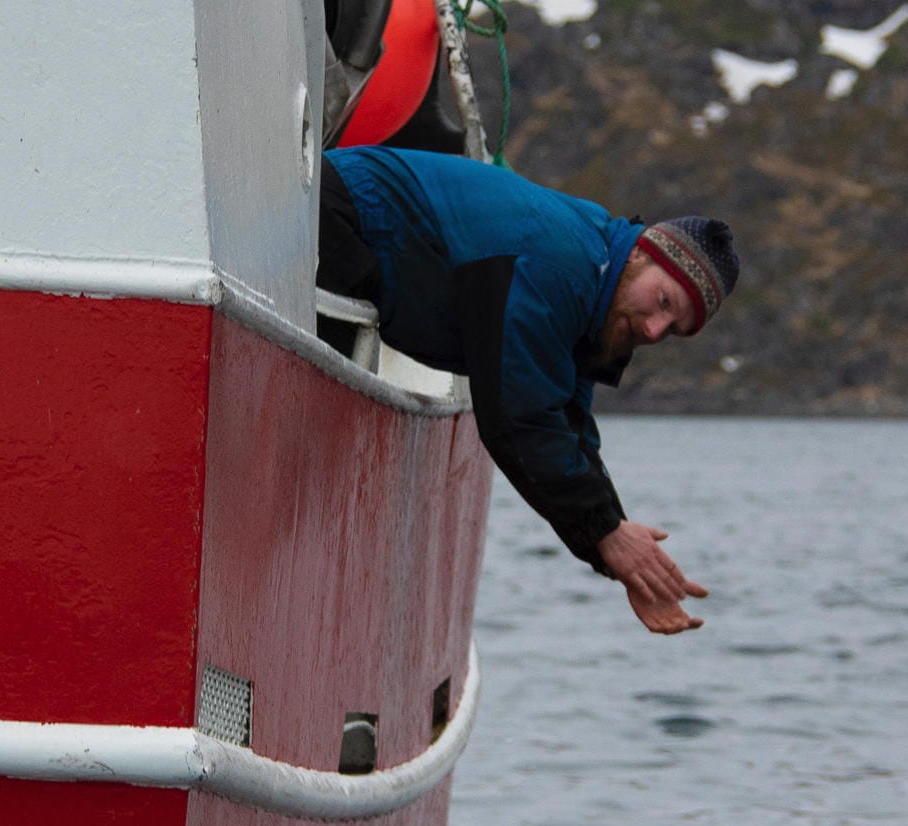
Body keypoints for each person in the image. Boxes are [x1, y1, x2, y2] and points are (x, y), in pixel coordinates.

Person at [317, 146, 740, 635]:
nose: (653, 329)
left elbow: (568, 426)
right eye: (663, 301)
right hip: (339, 212)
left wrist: (618, 545)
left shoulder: (598, 285)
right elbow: (517, 418)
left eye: (673, 330)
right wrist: (606, 534)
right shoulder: (561, 263)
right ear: (644, 253)